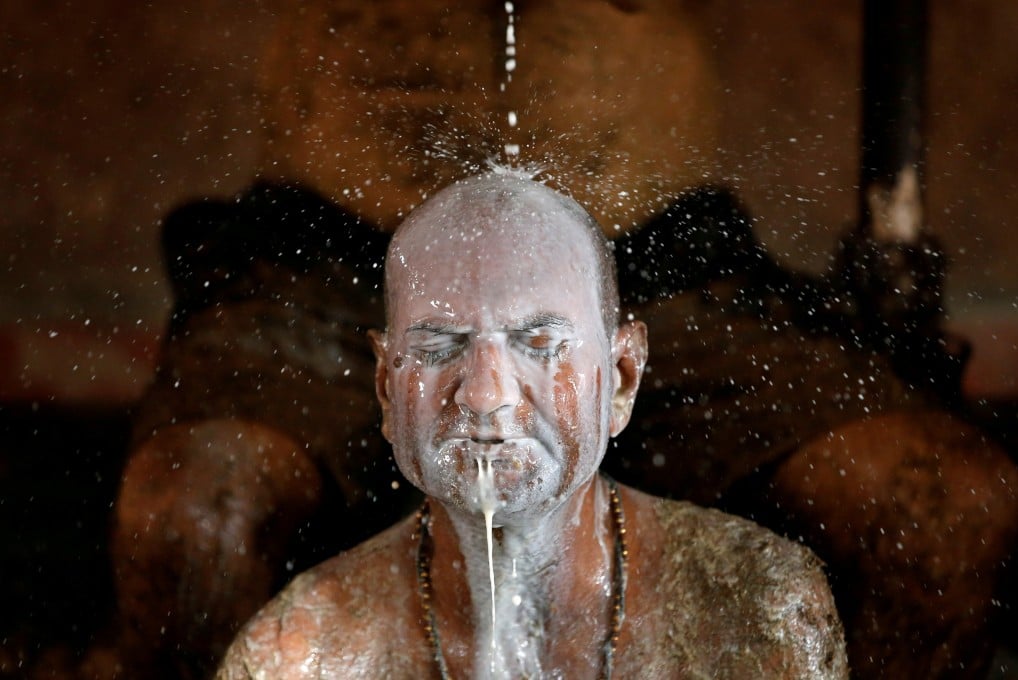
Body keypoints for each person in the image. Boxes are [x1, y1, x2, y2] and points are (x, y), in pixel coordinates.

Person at [216, 171, 848, 679]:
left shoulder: (757, 612)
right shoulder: (298, 657)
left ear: (623, 376)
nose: (487, 396)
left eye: (540, 343)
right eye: (438, 347)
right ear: (387, 387)